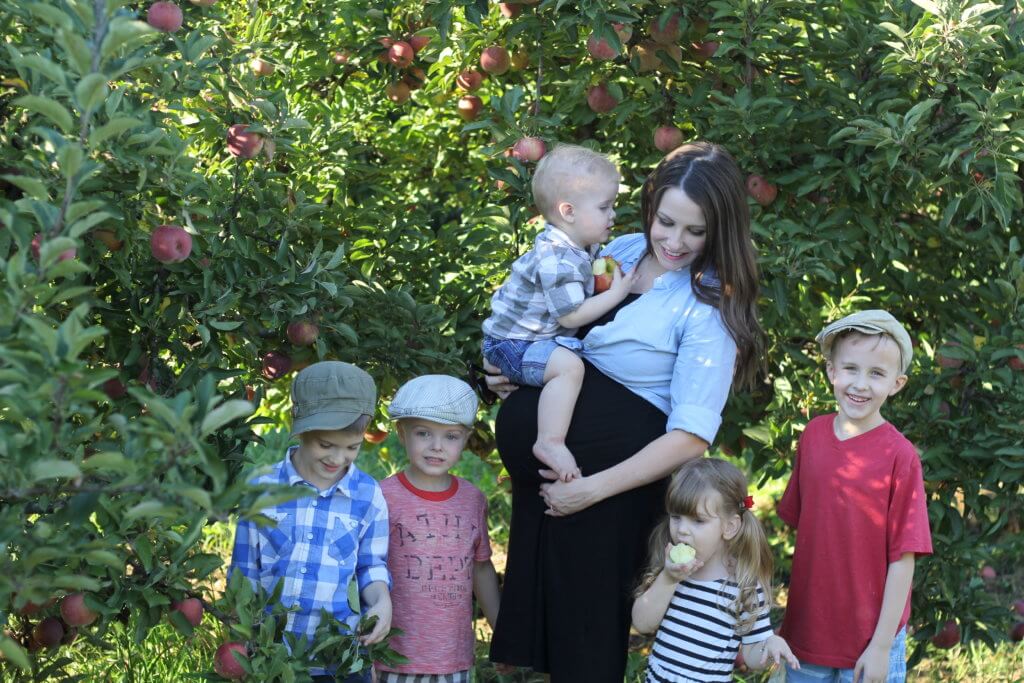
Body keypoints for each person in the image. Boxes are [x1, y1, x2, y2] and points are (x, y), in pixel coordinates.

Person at [486, 141, 765, 682]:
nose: (675, 242)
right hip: (558, 476)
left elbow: (690, 437)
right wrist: (516, 370)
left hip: (606, 489)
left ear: (720, 230)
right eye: (667, 221)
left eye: (696, 231)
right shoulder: (624, 249)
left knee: (586, 644)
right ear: (650, 205)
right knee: (556, 644)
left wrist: (590, 489)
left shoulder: (709, 307)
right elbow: (561, 322)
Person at [778, 310, 933, 683]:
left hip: (869, 640)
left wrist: (881, 646)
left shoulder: (900, 456)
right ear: (832, 371)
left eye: (876, 374)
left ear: (896, 384)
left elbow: (903, 559)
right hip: (808, 631)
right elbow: (808, 529)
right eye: (851, 369)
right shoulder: (813, 437)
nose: (860, 385)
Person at [481, 143, 638, 482]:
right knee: (568, 368)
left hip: (525, 342)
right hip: (512, 345)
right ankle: (549, 441)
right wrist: (618, 294)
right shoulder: (557, 258)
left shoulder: (580, 247)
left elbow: (591, 279)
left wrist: (606, 275)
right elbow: (571, 316)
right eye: (604, 207)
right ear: (568, 212)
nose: (613, 215)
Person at [229, 361, 392, 682]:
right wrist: (238, 644)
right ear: (300, 427)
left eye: (352, 448)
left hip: (340, 656)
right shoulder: (263, 488)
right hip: (272, 655)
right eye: (326, 445)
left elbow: (371, 566)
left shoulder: (367, 495)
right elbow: (243, 572)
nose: (337, 458)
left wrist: (381, 602)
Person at [375, 374, 501, 683]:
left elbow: (481, 569)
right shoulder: (381, 496)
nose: (436, 447)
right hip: (392, 656)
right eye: (423, 433)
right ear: (401, 433)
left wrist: (502, 631)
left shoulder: (472, 500)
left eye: (451, 436)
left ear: (467, 437)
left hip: (452, 657)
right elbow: (365, 569)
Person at [631, 458, 799, 682]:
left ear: (729, 527)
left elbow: (751, 657)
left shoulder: (744, 585)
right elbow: (642, 624)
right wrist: (668, 579)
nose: (682, 531)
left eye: (698, 521)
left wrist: (769, 647)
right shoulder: (671, 571)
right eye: (676, 517)